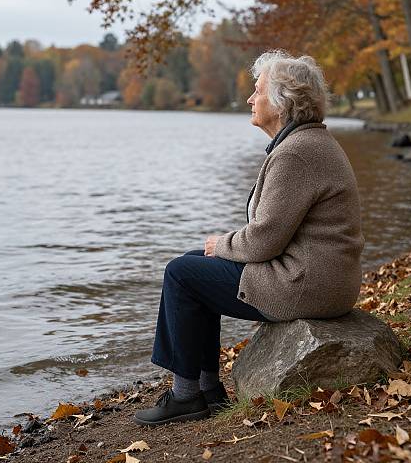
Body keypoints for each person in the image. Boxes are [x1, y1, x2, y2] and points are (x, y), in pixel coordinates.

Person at [133, 49, 365, 427]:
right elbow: (272, 234)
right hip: (323, 278)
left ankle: (186, 396)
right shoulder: (308, 144)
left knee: (181, 273)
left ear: (282, 101)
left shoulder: (297, 154)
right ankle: (207, 390)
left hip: (306, 285)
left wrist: (220, 243)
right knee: (196, 264)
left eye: (257, 91)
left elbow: (264, 241)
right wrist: (217, 250)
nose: (250, 99)